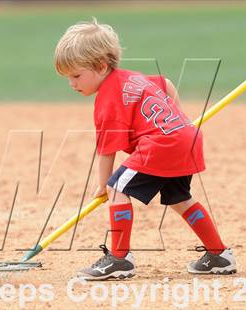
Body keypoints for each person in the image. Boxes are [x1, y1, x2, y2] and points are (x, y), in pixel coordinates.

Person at [54, 18, 236, 280]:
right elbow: (166, 83)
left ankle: (119, 259)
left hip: (161, 146)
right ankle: (219, 255)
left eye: (76, 75)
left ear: (101, 66)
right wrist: (177, 116)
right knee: (180, 199)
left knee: (118, 188)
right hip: (185, 138)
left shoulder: (108, 97)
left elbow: (107, 148)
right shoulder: (134, 78)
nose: (72, 83)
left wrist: (104, 184)